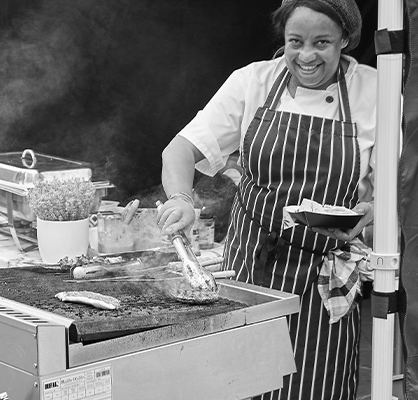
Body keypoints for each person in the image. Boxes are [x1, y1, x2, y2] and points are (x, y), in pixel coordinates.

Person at [157, 0, 375, 399]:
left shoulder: (374, 90)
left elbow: (400, 187)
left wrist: (373, 212)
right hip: (250, 268)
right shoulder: (253, 81)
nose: (306, 56)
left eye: (322, 42)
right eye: (296, 41)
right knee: (239, 383)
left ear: (346, 39)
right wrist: (182, 198)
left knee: (315, 387)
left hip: (324, 276)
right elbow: (179, 151)